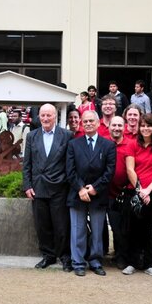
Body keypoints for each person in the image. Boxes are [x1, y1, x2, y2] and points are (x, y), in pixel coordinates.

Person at [23, 104, 73, 272]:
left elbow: (69, 163)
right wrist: (27, 185)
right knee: (42, 225)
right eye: (42, 115)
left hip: (59, 187)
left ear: (55, 117)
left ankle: (65, 257)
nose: (45, 118)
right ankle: (48, 256)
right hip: (38, 188)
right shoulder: (31, 136)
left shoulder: (66, 135)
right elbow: (27, 164)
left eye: (48, 115)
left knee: (61, 225)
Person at [65, 110, 116, 277]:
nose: (87, 123)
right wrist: (80, 188)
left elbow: (109, 171)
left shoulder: (108, 145)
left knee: (97, 231)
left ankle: (95, 261)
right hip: (77, 194)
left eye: (91, 121)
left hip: (98, 194)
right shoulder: (73, 144)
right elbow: (70, 170)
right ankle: (78, 262)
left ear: (98, 123)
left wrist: (94, 188)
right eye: (85, 121)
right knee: (77, 230)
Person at [124, 114, 152, 277]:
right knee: (133, 228)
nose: (145, 128)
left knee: (150, 228)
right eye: (143, 126)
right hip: (135, 191)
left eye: (149, 126)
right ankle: (132, 262)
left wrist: (148, 190)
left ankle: (150, 263)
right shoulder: (132, 144)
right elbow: (130, 169)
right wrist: (140, 190)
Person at [107, 115, 132, 270]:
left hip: (125, 192)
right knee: (115, 227)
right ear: (109, 126)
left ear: (125, 127)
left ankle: (123, 256)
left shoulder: (130, 144)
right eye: (114, 125)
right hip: (107, 193)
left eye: (120, 126)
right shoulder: (103, 143)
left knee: (125, 227)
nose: (117, 128)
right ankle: (117, 254)